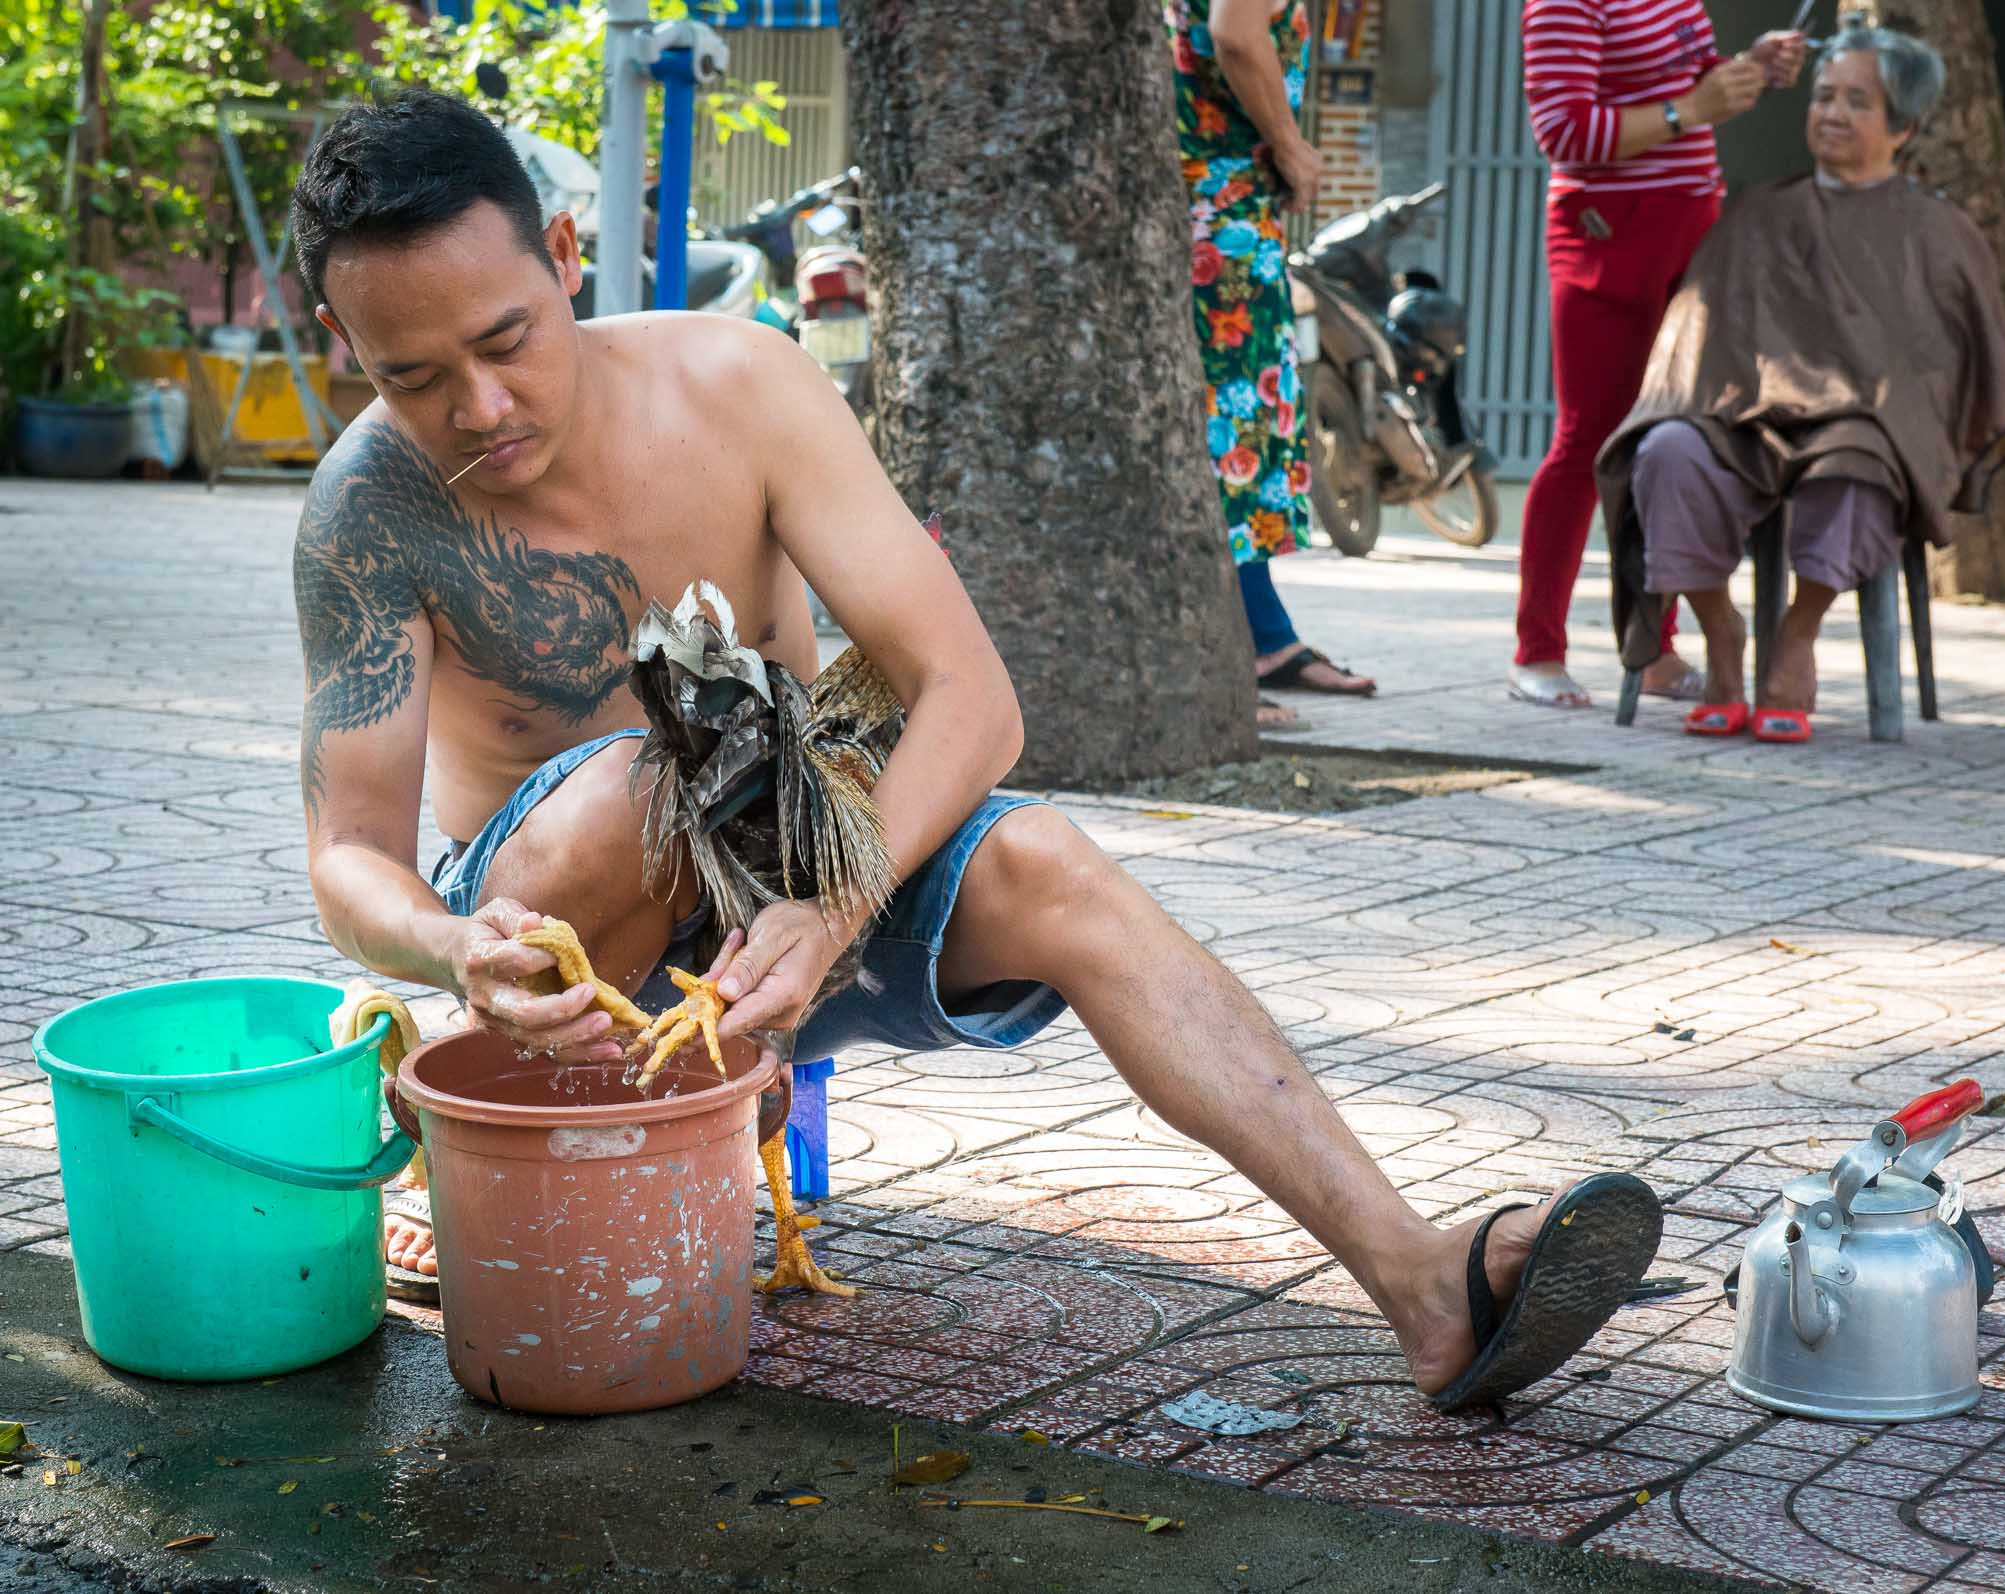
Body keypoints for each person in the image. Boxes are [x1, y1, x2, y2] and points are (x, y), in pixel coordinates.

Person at [288, 88, 1666, 1411]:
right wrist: (456, 951)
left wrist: (828, 914)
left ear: (569, 259)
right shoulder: (365, 513)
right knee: (642, 788)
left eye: (507, 338)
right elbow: (353, 857)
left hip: (792, 876)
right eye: (414, 376)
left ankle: (1424, 1281)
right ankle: (512, 1166)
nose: (480, 406)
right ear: (352, 350)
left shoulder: (742, 383)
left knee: (1055, 865)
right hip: (556, 954)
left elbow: (971, 696)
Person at [1598, 28, 2005, 742]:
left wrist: (1868, 404)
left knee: (1861, 464)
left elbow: (1942, 370)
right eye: (1824, 95)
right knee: (1667, 448)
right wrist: (1739, 397)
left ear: (1905, 127)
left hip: (1863, 429)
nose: (1831, 112)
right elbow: (1699, 342)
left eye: (1857, 101)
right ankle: (1722, 631)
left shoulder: (1938, 232)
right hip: (1740, 416)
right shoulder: (1761, 212)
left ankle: (1798, 634)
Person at [1511, 0, 1805, 709]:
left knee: (1669, 441)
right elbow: (1563, 133)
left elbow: (1675, 80)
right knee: (1590, 441)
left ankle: (1655, 652)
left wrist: (1744, 70)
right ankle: (1538, 651)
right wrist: (1691, 108)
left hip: (1693, 228)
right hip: (1608, 237)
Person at [1168, 0, 1377, 731]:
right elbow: (1235, 30)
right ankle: (1233, 657)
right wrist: (1290, 144)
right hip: (1218, 220)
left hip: (1218, 212)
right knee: (1229, 439)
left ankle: (1265, 638)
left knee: (1234, 435)